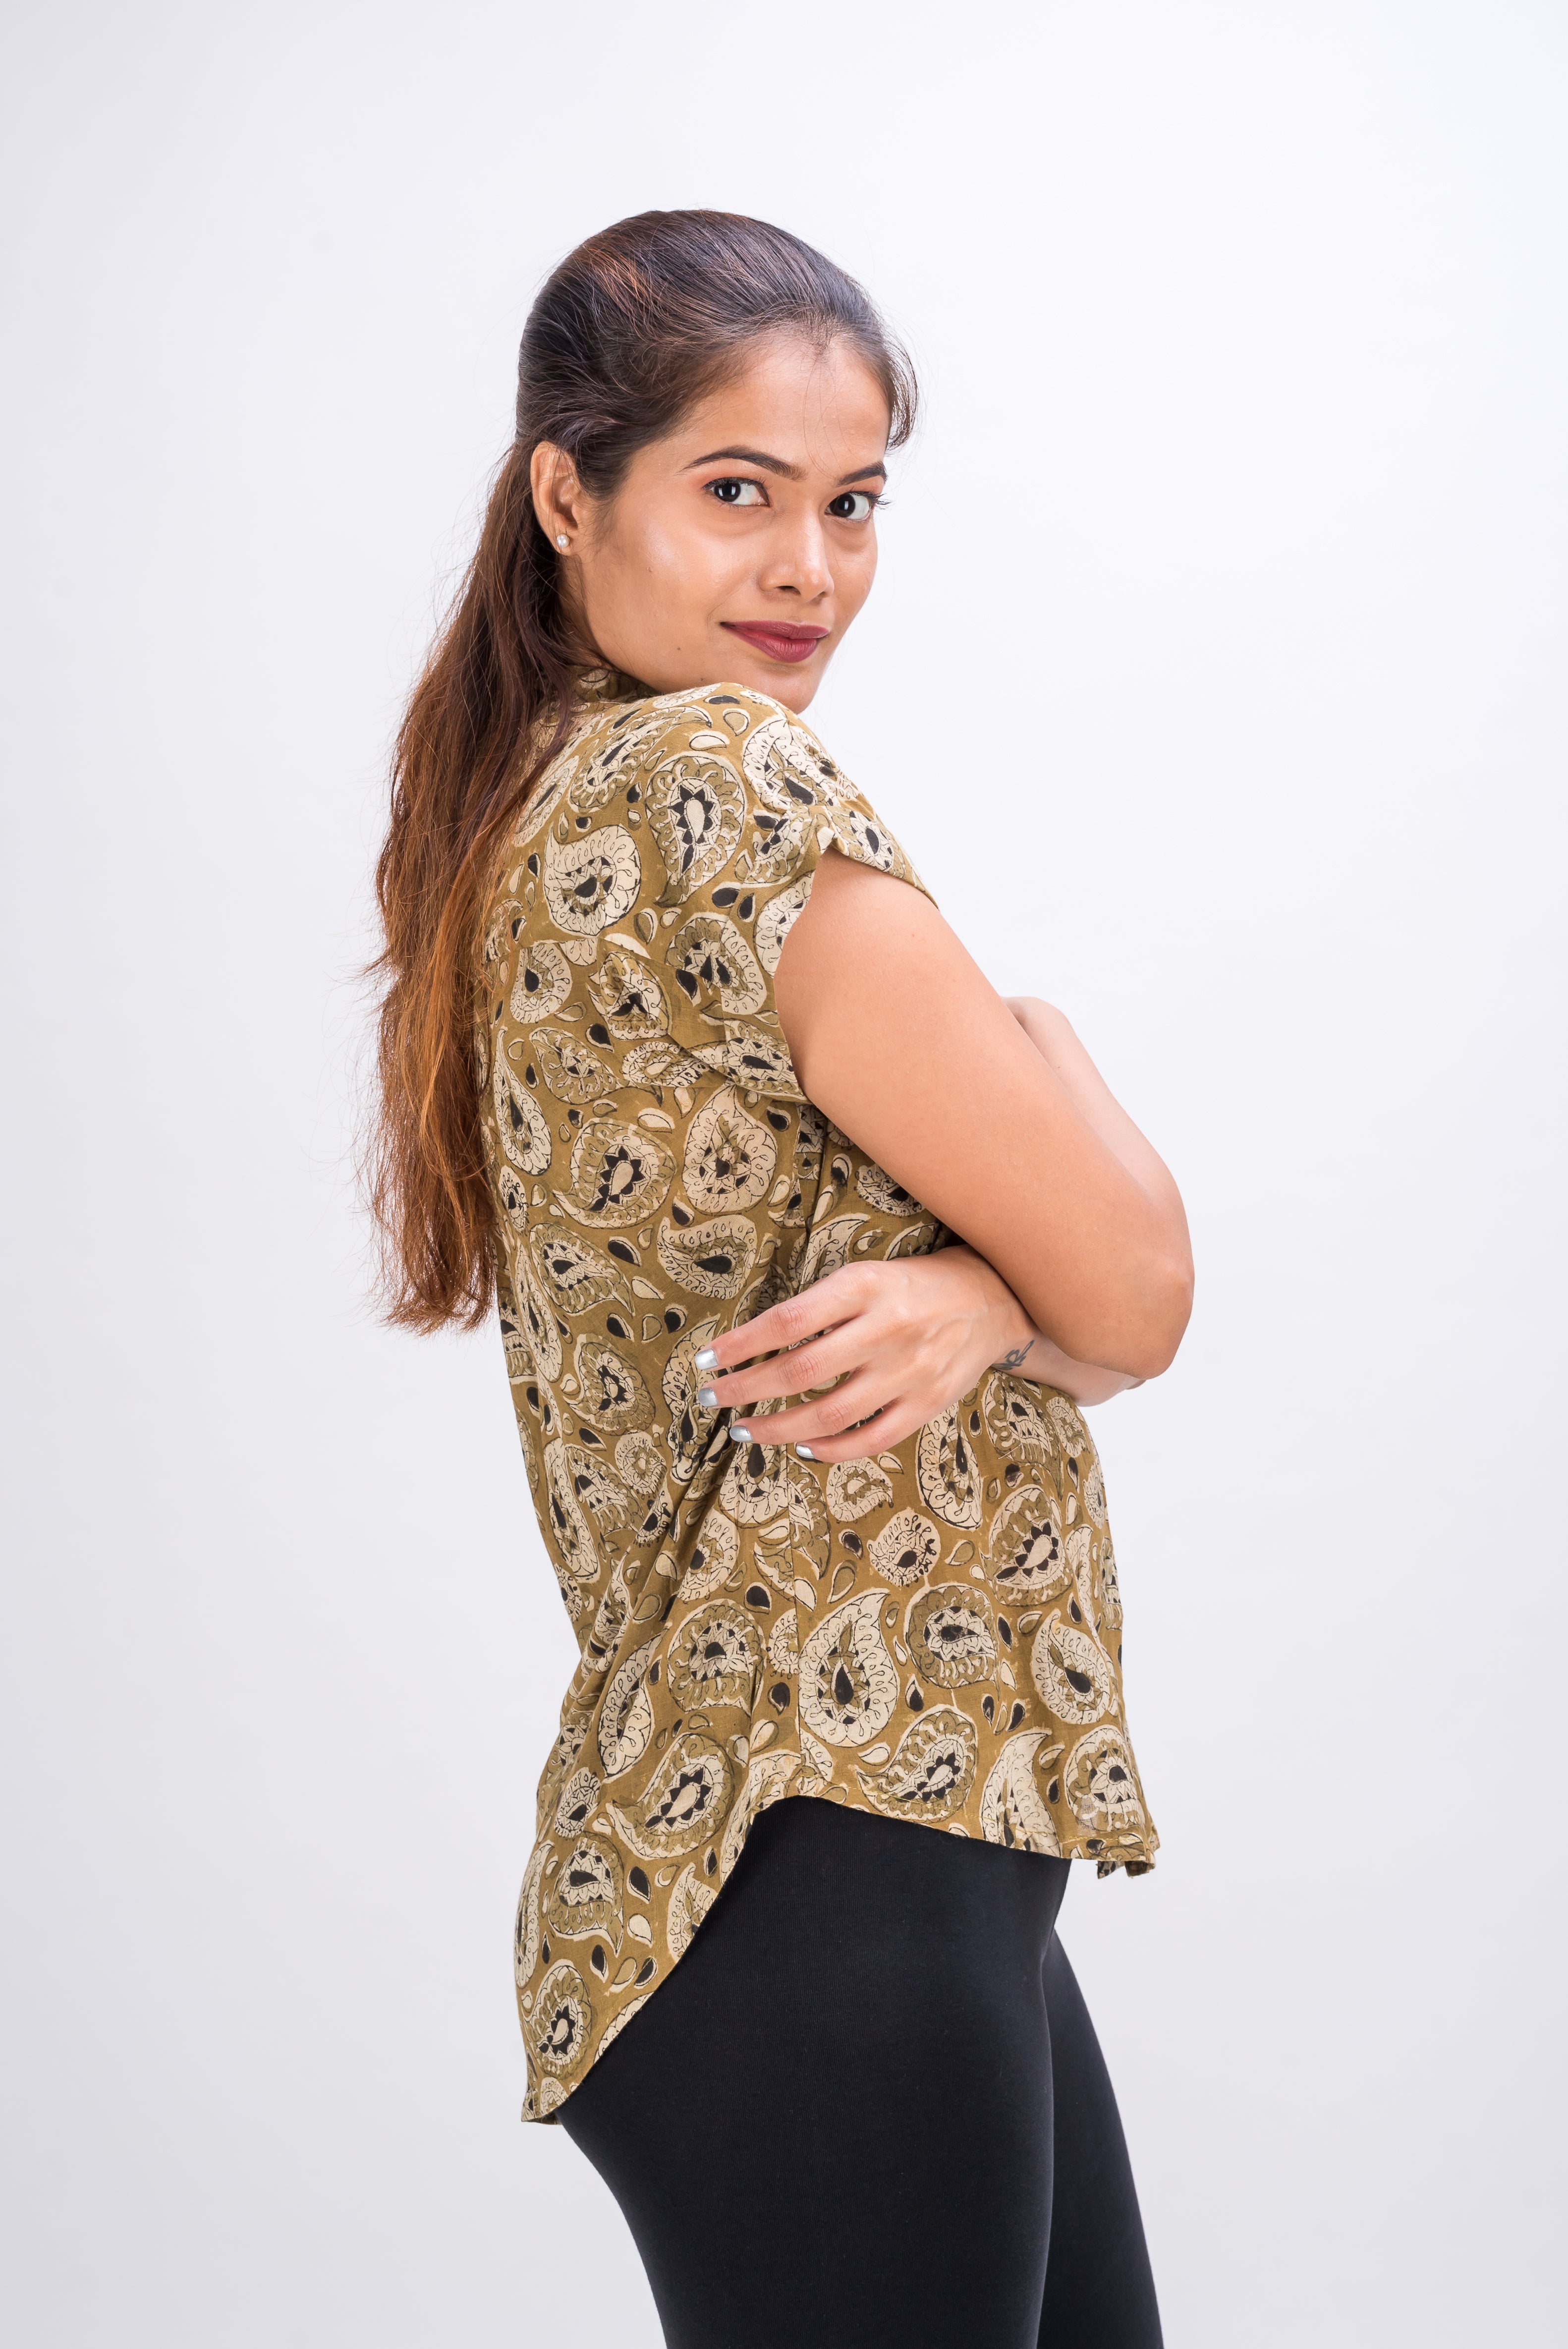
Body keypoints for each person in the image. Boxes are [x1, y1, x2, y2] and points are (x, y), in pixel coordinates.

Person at [368, 209, 1192, 2349]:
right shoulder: (715, 782)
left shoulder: (534, 797)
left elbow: (1074, 1305)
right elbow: (1139, 1287)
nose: (807, 569)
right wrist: (1046, 1067)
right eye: (737, 490)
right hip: (815, 1872)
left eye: (851, 504)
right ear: (568, 492)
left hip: (856, 1864)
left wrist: (980, 1297)